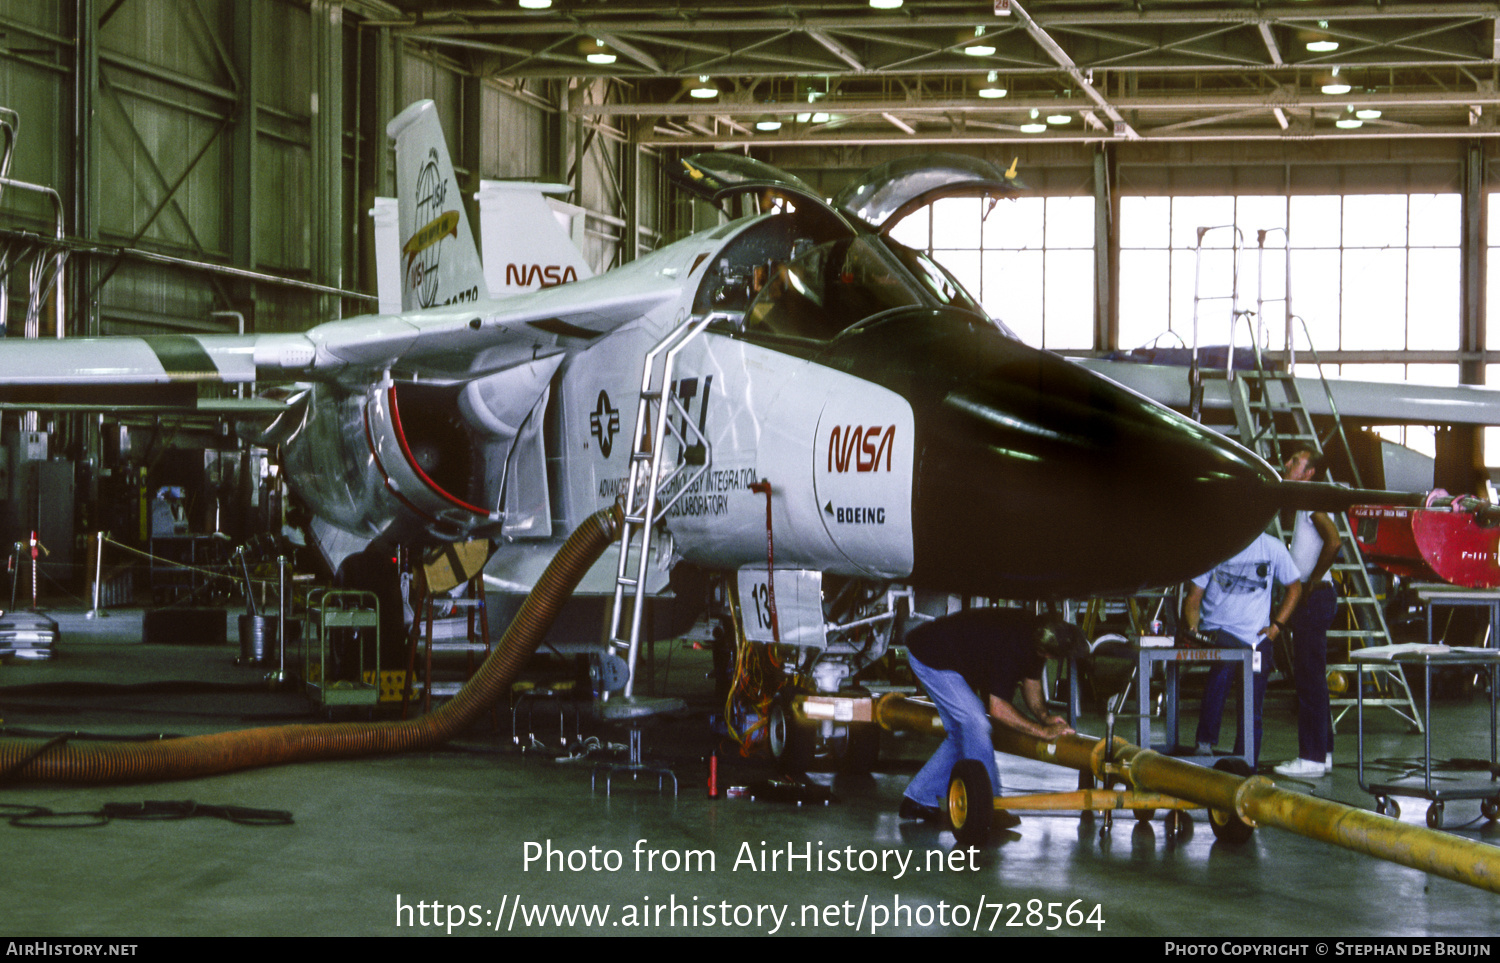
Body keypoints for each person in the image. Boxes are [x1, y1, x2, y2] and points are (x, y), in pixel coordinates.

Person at [898, 607, 1088, 826]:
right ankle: (988, 807)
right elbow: (998, 709)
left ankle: (919, 797)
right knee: (976, 724)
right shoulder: (1012, 645)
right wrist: (1042, 731)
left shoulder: (1040, 634)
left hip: (950, 656)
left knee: (963, 733)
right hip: (930, 656)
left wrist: (1045, 717)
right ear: (1048, 654)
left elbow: (1031, 682)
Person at [1186, 532, 1303, 769]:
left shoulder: (1272, 548)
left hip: (1257, 638)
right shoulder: (1215, 547)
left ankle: (1246, 760)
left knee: (1253, 703)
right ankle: (1205, 743)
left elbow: (1294, 587)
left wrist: (1276, 627)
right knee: (1226, 663)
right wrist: (1193, 631)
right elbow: (1193, 598)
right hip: (1220, 630)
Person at [1273, 448, 1342, 778]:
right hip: (1313, 597)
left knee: (1308, 678)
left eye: (1295, 462)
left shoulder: (1312, 502)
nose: (1287, 464)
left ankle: (1311, 758)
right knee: (1314, 677)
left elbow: (1334, 541)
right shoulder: (1301, 504)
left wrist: (1313, 580)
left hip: (1314, 598)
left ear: (1310, 472)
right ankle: (1323, 752)